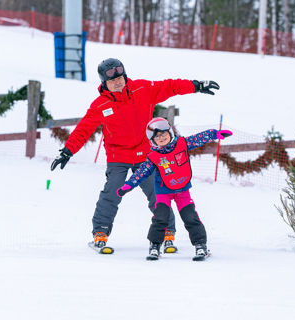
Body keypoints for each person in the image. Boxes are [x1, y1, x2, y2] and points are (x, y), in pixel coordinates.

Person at [50, 58, 220, 254]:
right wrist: (67, 151)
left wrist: (196, 86)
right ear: (104, 83)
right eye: (113, 81)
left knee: (158, 193)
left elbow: (170, 87)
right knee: (112, 192)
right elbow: (83, 130)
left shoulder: (142, 90)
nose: (118, 82)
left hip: (147, 155)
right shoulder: (100, 105)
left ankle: (167, 233)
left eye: (121, 78)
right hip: (118, 156)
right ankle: (100, 233)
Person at [116, 118, 233, 260]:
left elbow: (199, 138)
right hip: (163, 193)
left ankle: (200, 245)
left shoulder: (182, 144)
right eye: (157, 136)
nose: (161, 138)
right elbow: (142, 172)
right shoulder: (154, 157)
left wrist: (215, 134)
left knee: (190, 217)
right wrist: (128, 185)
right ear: (153, 141)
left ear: (170, 132)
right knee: (160, 218)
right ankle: (154, 246)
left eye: (164, 134)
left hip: (182, 191)